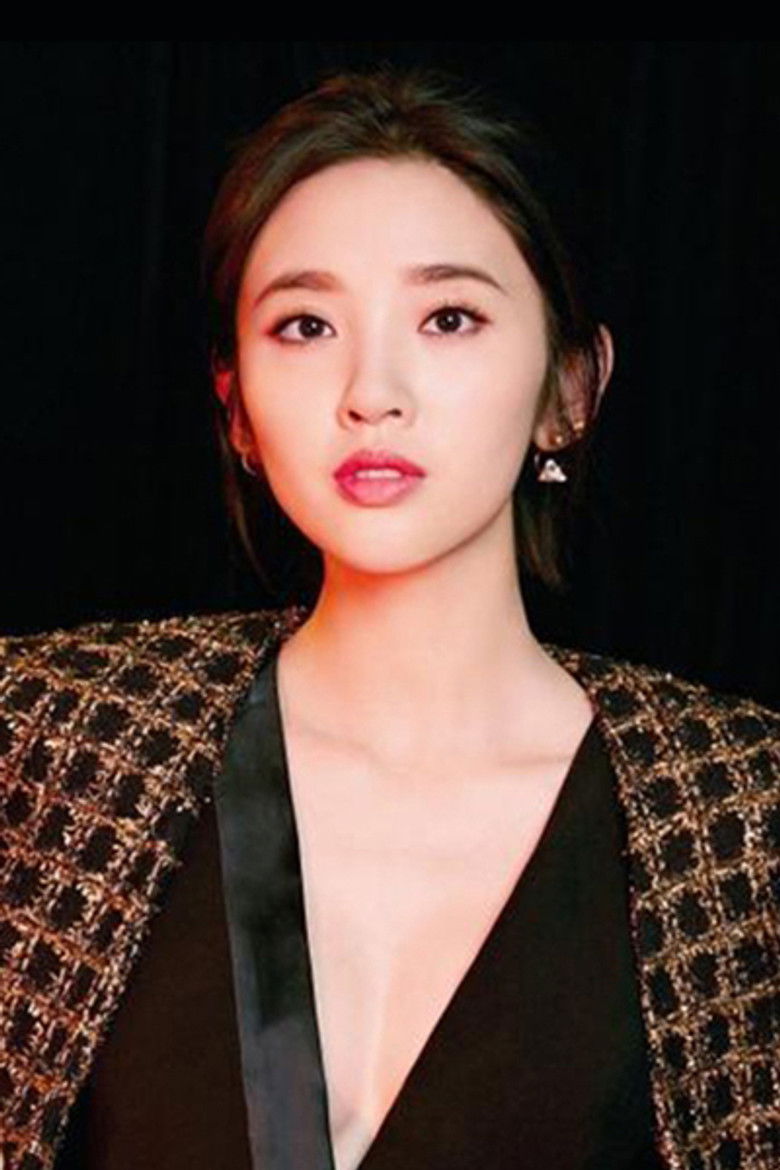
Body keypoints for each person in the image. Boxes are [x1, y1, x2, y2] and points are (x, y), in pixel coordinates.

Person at [1, 64, 778, 1170]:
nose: (372, 391)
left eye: (449, 317)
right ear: (236, 407)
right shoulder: (48, 737)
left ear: (570, 389)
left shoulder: (741, 812)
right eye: (306, 325)